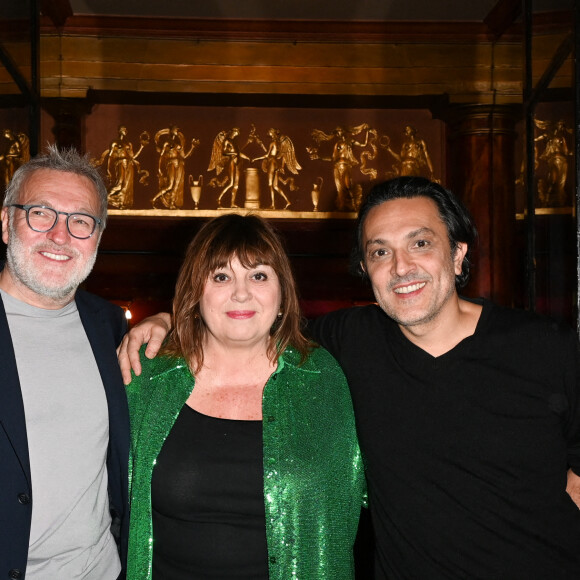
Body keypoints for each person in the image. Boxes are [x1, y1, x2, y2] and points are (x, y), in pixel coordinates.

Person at [120, 176, 580, 579]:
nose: (401, 267)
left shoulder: (545, 347)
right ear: (366, 268)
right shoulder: (347, 345)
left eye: (420, 243)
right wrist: (166, 320)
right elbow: (248, 323)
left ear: (458, 254)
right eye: (381, 251)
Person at [124, 213, 365, 579]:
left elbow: (353, 501)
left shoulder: (323, 377)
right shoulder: (147, 375)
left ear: (282, 293)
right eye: (221, 276)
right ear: (195, 293)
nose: (241, 292)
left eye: (259, 275)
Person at [0, 145, 130, 579]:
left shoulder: (109, 324)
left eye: (80, 221)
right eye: (41, 213)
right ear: (6, 223)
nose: (60, 235)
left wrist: (165, 321)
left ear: (98, 236)